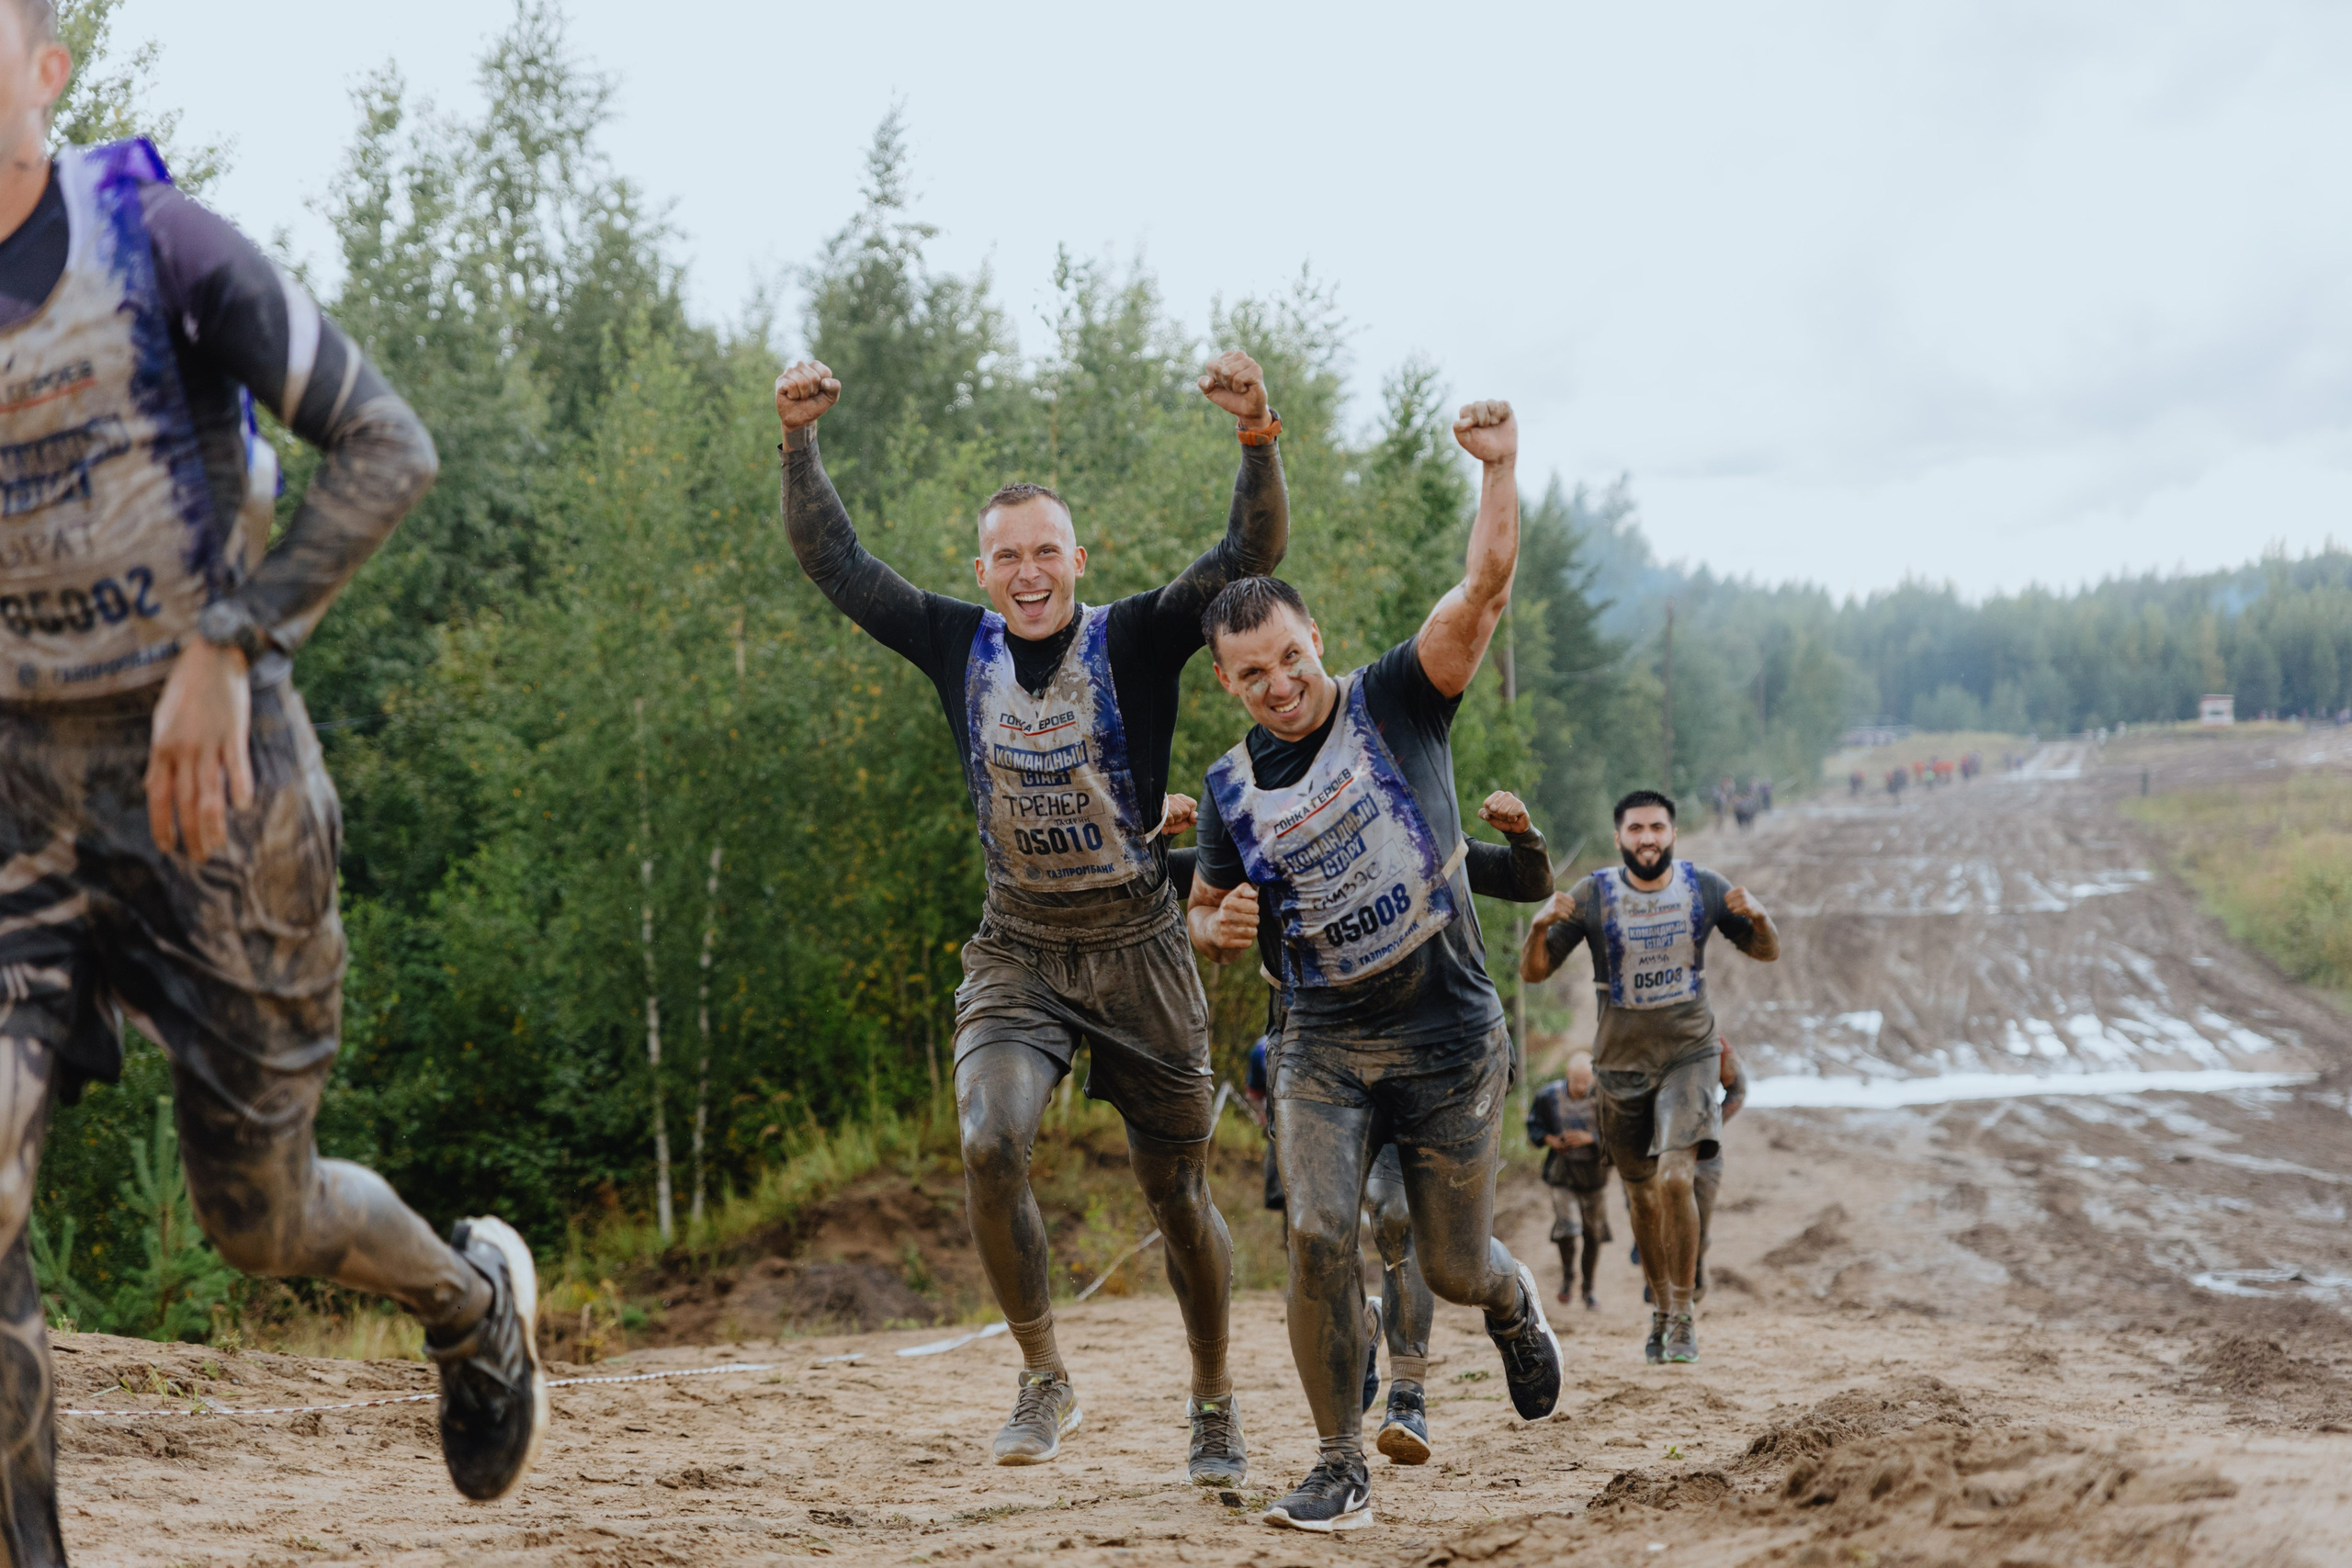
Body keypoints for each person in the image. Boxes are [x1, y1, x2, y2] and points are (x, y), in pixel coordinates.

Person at [0, 6, 549, 1553]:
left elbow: (390, 445)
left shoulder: (156, 238)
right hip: (18, 811)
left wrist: (228, 640)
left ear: (47, 74)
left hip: (214, 804)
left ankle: (470, 1299)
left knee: (260, 1220)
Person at [775, 349, 1285, 1483]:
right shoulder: (956, 640)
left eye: (1044, 550)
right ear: (984, 570)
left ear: (1076, 560)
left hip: (1141, 950)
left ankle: (1212, 1398)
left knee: (1177, 1190)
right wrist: (798, 442)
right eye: (1006, 556)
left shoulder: (1143, 636)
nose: (1027, 571)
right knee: (987, 1139)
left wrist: (1256, 436)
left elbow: (1251, 554)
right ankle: (1045, 1375)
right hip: (1018, 948)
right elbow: (836, 562)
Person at [1187, 398, 1561, 1534]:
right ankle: (1337, 1462)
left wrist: (1497, 471)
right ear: (1227, 685)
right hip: (1324, 1045)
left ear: (1315, 640)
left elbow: (1483, 591)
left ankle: (1509, 1300)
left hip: (1451, 1039)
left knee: (1449, 1266)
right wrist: (1216, 932)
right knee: (1314, 1237)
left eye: (1290, 658)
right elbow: (1204, 908)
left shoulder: (1400, 696)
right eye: (1252, 675)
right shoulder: (1227, 789)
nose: (1279, 684)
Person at [1519, 788, 1779, 1367]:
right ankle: (1661, 1307)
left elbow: (1766, 951)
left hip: (1689, 1053)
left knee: (1676, 1180)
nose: (1647, 839)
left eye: (1657, 828)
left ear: (1673, 833)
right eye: (1636, 829)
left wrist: (1759, 918)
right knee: (1640, 1195)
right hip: (1619, 1067)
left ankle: (1683, 1313)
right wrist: (1539, 929)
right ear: (1619, 838)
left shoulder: (1705, 887)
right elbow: (1535, 974)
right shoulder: (1594, 895)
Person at [1359, 789, 1551, 1471]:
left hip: (1443, 1063)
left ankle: (1505, 1300)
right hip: (1334, 1060)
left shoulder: (1436, 849)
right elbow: (1215, 884)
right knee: (1342, 1218)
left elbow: (1530, 881)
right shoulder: (1293, 841)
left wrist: (1525, 834)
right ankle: (1374, 1354)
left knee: (1427, 1236)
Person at [1526, 1052, 1609, 1310]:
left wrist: (1591, 1138)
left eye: (1587, 1082)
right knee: (1568, 1228)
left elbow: (1618, 1135)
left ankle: (1589, 1287)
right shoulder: (1548, 1096)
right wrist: (1550, 1140)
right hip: (1561, 1174)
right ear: (1568, 1076)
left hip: (1594, 1177)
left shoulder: (1603, 1099)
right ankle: (1567, 1277)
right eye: (1577, 1082)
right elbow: (1533, 1127)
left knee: (1593, 1235)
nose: (1582, 1088)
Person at [1692, 1034, 1747, 1301]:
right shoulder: (1651, 1038)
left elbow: (1738, 1088)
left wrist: (1713, 1124)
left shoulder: (1715, 1044)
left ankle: (1695, 1272)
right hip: (1657, 1150)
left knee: (1699, 1228)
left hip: (1705, 1153)